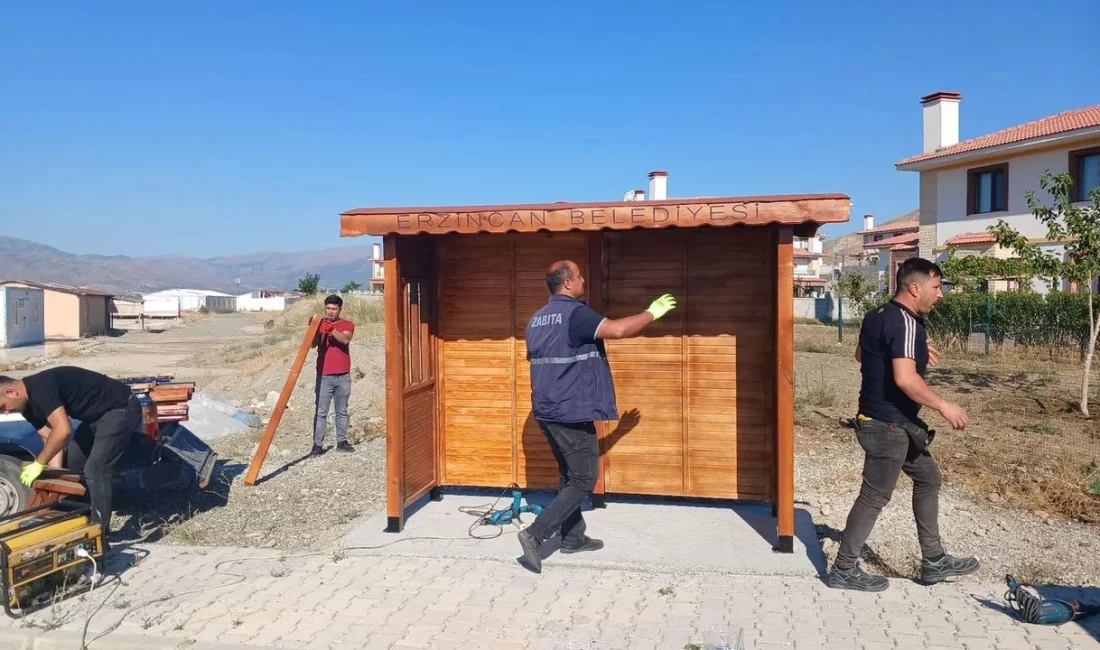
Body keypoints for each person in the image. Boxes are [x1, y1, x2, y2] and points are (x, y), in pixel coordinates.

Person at [827, 257, 979, 592]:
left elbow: (861, 355)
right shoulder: (906, 323)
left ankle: (934, 560)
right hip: (887, 425)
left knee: (929, 478)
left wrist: (913, 347)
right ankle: (843, 568)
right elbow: (906, 380)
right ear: (915, 288)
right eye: (936, 287)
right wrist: (944, 405)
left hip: (893, 422)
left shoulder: (878, 316)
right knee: (874, 496)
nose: (940, 295)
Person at [516, 260, 677, 573]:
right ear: (567, 284)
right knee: (584, 479)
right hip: (570, 411)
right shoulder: (575, 313)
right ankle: (535, 536)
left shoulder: (536, 319)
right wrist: (652, 312)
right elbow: (617, 329)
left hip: (547, 411)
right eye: (579, 276)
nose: (583, 280)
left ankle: (573, 537)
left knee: (569, 476)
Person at [0, 366, 141, 534]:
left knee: (96, 470)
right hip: (96, 418)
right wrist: (53, 476)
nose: (5, 413)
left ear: (11, 392)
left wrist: (39, 463)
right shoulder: (27, 408)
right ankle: (78, 515)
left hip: (121, 408)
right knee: (74, 462)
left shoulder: (41, 388)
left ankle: (100, 531)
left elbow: (63, 430)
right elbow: (51, 437)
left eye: (2, 407)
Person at [310, 294, 356, 456]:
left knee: (341, 410)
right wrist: (314, 329)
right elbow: (312, 344)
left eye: (334, 309)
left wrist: (331, 329)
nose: (331, 311)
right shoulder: (320, 324)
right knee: (321, 412)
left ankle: (342, 441)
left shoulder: (347, 324)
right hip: (324, 375)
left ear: (339, 309)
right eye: (328, 308)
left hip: (343, 375)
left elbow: (345, 339)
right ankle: (317, 445)